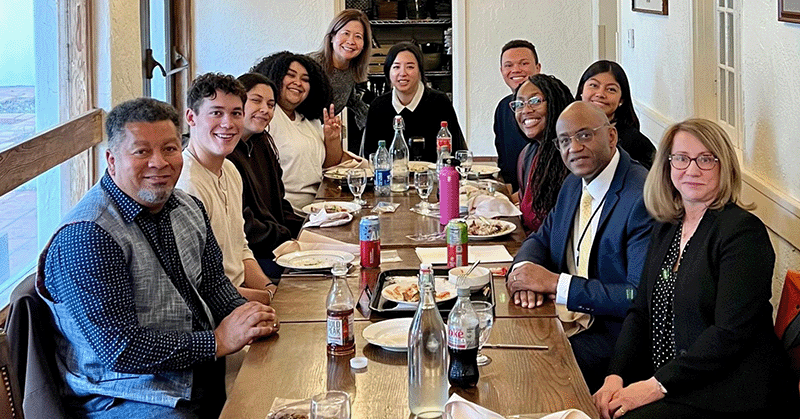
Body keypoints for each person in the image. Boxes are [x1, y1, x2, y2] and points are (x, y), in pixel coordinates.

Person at [39, 97, 279, 418]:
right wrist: (217, 341)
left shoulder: (187, 206)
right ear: (112, 160)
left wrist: (251, 319)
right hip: (127, 396)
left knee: (280, 379)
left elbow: (213, 284)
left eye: (169, 149)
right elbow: (121, 349)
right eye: (141, 152)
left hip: (196, 370)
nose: (160, 163)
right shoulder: (88, 235)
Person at [593, 119, 799, 418]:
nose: (692, 169)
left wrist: (653, 387)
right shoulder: (667, 227)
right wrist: (616, 376)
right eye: (681, 158)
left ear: (723, 166)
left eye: (705, 159)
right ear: (667, 165)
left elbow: (729, 334)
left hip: (731, 391)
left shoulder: (742, 232)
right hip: (675, 380)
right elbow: (640, 313)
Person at [507, 101, 654, 392]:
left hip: (612, 335)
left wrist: (555, 284)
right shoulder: (574, 183)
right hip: (565, 316)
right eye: (564, 141)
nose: (573, 148)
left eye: (585, 135)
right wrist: (525, 272)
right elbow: (541, 238)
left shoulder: (641, 196)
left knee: (525, 373)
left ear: (611, 136)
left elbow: (635, 295)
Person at [176, 73, 278, 305]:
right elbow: (198, 288)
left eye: (236, 114)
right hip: (216, 310)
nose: (228, 124)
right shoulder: (186, 186)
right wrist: (269, 299)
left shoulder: (230, 170)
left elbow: (241, 250)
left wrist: (270, 290)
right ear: (191, 117)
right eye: (216, 113)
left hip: (242, 296)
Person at [252, 51, 352, 213]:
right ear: (274, 78)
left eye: (305, 80)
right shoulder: (268, 116)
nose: (298, 83)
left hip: (319, 207)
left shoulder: (311, 120)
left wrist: (332, 138)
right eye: (290, 76)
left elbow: (329, 166)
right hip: (286, 212)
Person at [227, 72, 304, 280]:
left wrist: (305, 229)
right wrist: (287, 238)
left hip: (276, 246)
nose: (265, 110)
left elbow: (279, 203)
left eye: (270, 105)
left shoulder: (262, 144)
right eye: (256, 101)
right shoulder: (226, 155)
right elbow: (246, 226)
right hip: (255, 257)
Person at [362, 41, 467, 162]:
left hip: (433, 178)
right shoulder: (378, 106)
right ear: (388, 72)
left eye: (410, 67)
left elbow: (456, 150)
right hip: (391, 178)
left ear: (420, 72)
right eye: (396, 67)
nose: (403, 73)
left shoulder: (439, 102)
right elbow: (370, 153)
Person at [511, 74, 572, 233]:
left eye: (535, 101)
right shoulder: (527, 155)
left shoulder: (572, 156)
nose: (526, 110)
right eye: (519, 104)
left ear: (555, 103)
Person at [310, 8, 372, 154]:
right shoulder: (312, 65)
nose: (351, 41)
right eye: (345, 33)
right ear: (332, 37)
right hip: (301, 137)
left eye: (358, 36)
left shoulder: (351, 72)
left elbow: (353, 101)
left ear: (364, 45)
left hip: (325, 138)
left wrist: (375, 122)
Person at [576, 60, 655, 169]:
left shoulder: (635, 142)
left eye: (611, 89)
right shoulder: (565, 129)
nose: (600, 94)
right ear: (581, 90)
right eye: (594, 85)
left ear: (621, 99)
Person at [494, 40, 541, 192]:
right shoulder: (503, 107)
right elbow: (504, 164)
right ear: (502, 71)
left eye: (524, 63)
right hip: (516, 198)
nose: (516, 70)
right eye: (509, 65)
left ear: (538, 68)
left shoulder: (550, 104)